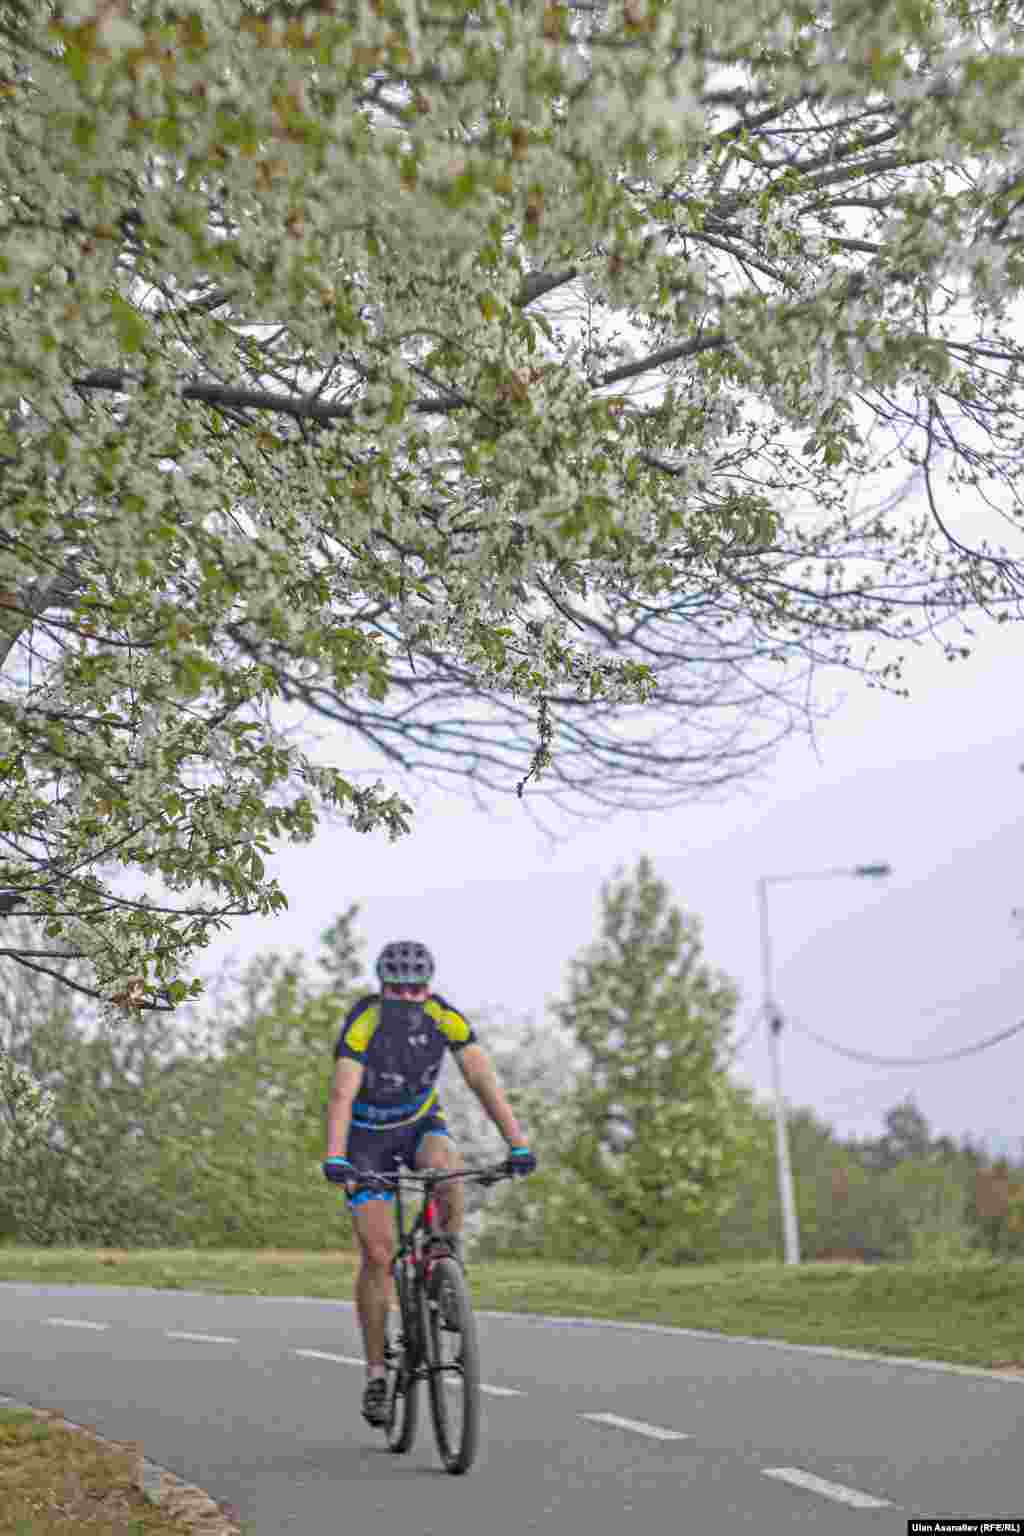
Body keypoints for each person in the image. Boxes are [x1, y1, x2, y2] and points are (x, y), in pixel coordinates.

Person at [322, 940, 536, 1428]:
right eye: (397, 989)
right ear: (383, 988)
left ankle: (446, 1262)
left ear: (427, 988)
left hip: (418, 1124)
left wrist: (517, 1144)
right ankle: (377, 1375)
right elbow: (341, 1092)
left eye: (415, 989)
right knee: (378, 1254)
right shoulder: (365, 1020)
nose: (407, 997)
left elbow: (482, 1080)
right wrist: (335, 1155)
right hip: (365, 1140)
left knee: (447, 1170)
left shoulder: (444, 1016)